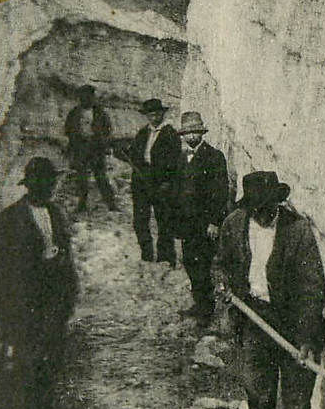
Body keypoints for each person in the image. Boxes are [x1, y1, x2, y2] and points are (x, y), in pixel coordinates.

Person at [216, 171, 325, 409]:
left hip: (293, 327)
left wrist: (307, 339)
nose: (262, 215)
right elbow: (220, 263)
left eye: (268, 209)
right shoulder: (235, 225)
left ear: (278, 204)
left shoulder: (297, 231)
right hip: (253, 321)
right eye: (256, 209)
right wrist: (223, 284)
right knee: (260, 403)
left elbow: (312, 288)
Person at [0, 156, 79, 409]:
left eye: (50, 183)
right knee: (27, 369)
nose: (47, 188)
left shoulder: (55, 212)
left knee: (50, 367)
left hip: (53, 306)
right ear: (29, 186)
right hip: (26, 309)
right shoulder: (11, 219)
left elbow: (65, 255)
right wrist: (9, 310)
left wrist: (68, 293)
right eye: (41, 183)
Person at [173, 111, 229, 326]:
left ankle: (206, 311)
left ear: (201, 133)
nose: (192, 136)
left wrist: (215, 221)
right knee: (190, 262)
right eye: (188, 133)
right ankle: (199, 303)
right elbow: (178, 192)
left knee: (203, 265)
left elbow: (220, 192)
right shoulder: (181, 158)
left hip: (205, 225)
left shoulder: (214, 157)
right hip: (187, 224)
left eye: (195, 132)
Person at [125, 97, 182, 265]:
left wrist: (168, 181)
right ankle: (147, 254)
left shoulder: (171, 134)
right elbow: (135, 155)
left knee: (164, 220)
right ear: (147, 116)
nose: (154, 118)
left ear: (162, 115)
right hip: (141, 182)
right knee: (140, 220)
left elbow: (175, 161)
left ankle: (165, 257)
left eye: (157, 114)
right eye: (151, 115)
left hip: (161, 183)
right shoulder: (142, 133)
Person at [64, 84, 117, 212]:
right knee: (81, 178)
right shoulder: (74, 113)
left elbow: (108, 129)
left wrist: (103, 141)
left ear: (93, 97)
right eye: (84, 96)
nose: (87, 99)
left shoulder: (100, 112)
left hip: (96, 148)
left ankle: (111, 204)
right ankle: (82, 205)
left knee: (101, 176)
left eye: (90, 96)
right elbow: (68, 129)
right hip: (80, 147)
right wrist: (74, 143)